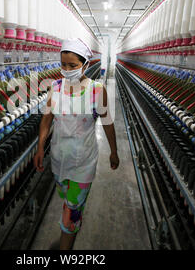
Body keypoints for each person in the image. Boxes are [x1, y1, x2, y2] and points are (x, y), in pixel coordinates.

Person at [33, 38, 119, 250]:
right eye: (63, 64)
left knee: (71, 211)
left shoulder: (97, 91)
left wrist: (114, 152)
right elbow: (46, 119)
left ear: (86, 65)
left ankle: (66, 247)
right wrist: (40, 146)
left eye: (73, 65)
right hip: (59, 159)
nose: (67, 70)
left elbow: (107, 123)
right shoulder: (55, 87)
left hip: (83, 163)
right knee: (66, 200)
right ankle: (71, 220)